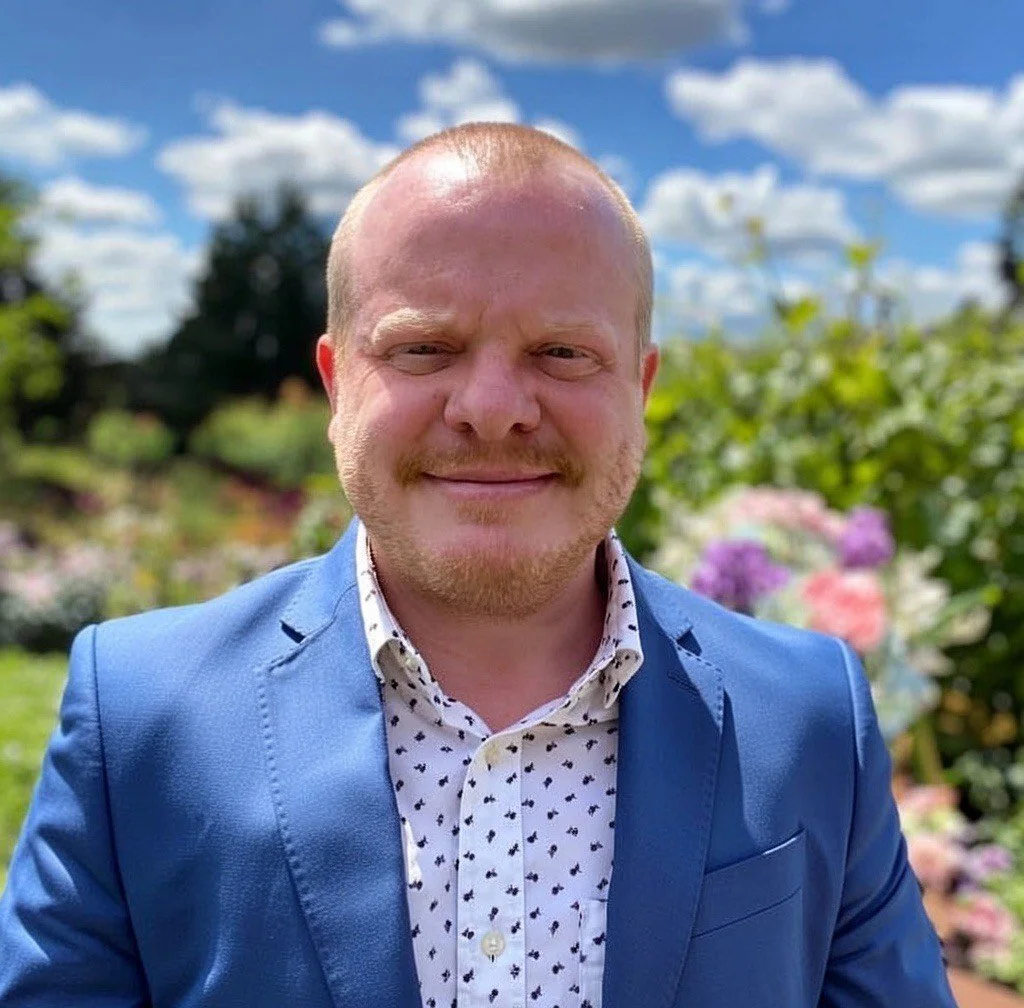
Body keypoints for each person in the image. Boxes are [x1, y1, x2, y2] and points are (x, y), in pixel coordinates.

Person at [0, 123, 955, 1008]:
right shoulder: (139, 717)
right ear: (337, 384)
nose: (493, 408)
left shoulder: (814, 720)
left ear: (640, 386)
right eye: (424, 348)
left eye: (562, 351)